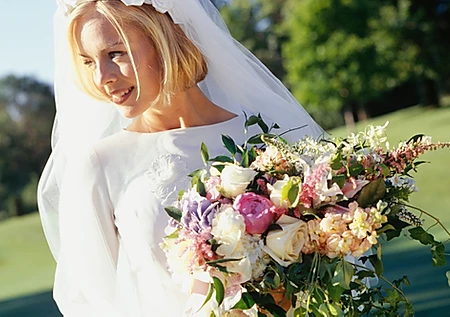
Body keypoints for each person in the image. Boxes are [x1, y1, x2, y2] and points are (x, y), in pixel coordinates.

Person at [38, 0, 323, 316]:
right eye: (88, 62)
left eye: (115, 54)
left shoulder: (265, 136)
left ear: (162, 37)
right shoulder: (99, 165)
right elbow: (88, 304)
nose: (102, 77)